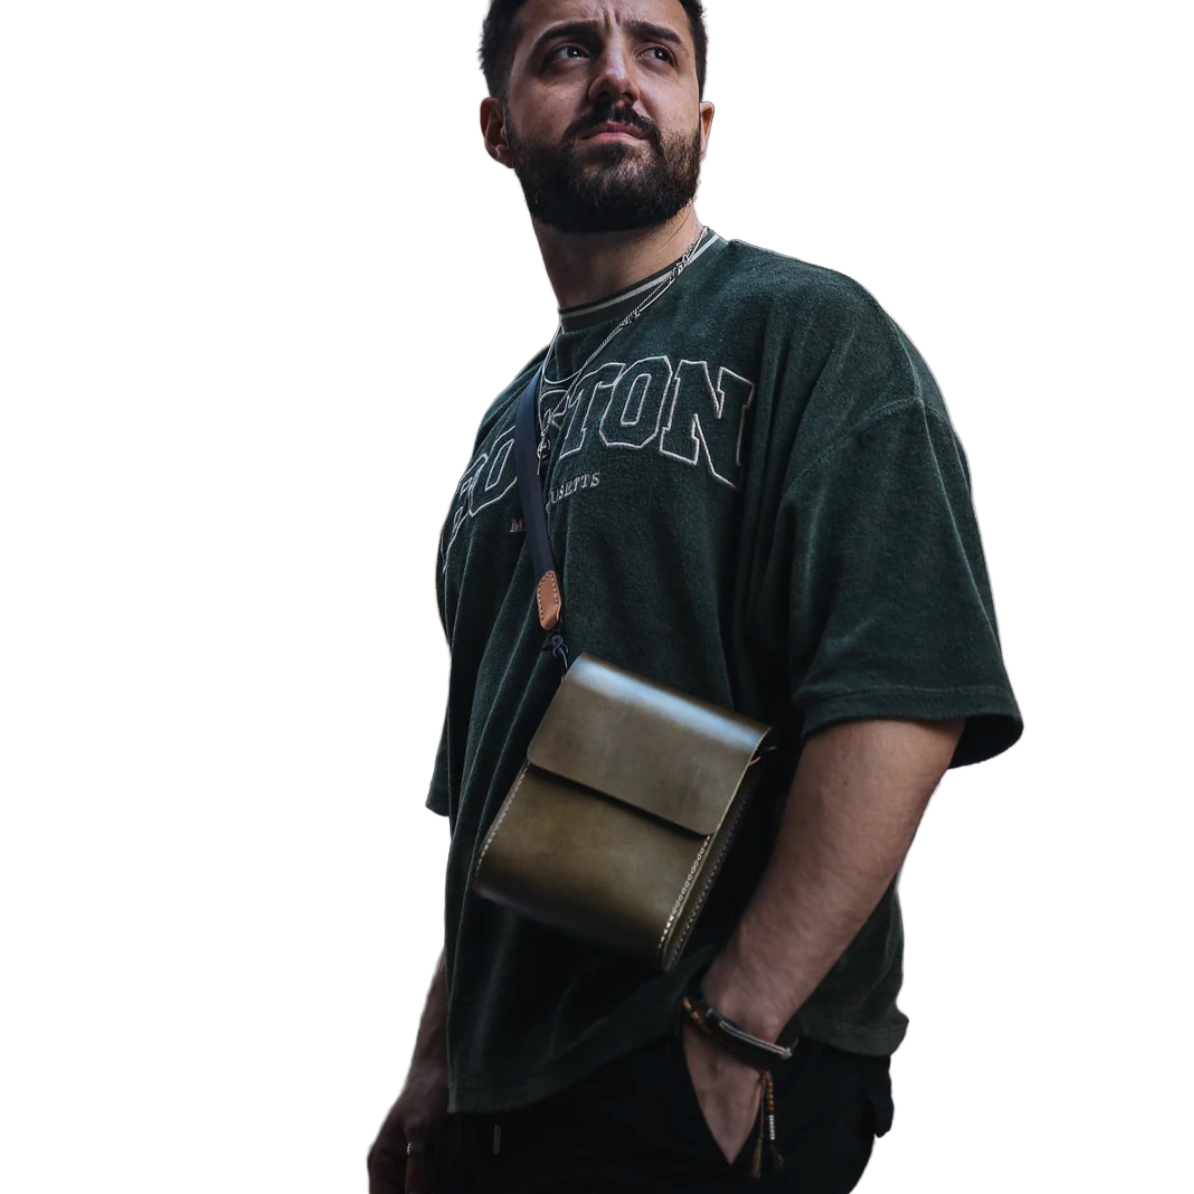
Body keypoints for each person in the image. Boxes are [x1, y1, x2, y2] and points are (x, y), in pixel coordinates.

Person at [368, 1, 1023, 1190]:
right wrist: (438, 1058)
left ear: (701, 120)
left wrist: (739, 1024)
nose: (618, 77)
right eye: (569, 50)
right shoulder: (500, 431)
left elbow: (905, 693)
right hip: (500, 1104)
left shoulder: (810, 331)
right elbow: (492, 802)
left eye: (656, 51)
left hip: (696, 1060)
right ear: (498, 126)